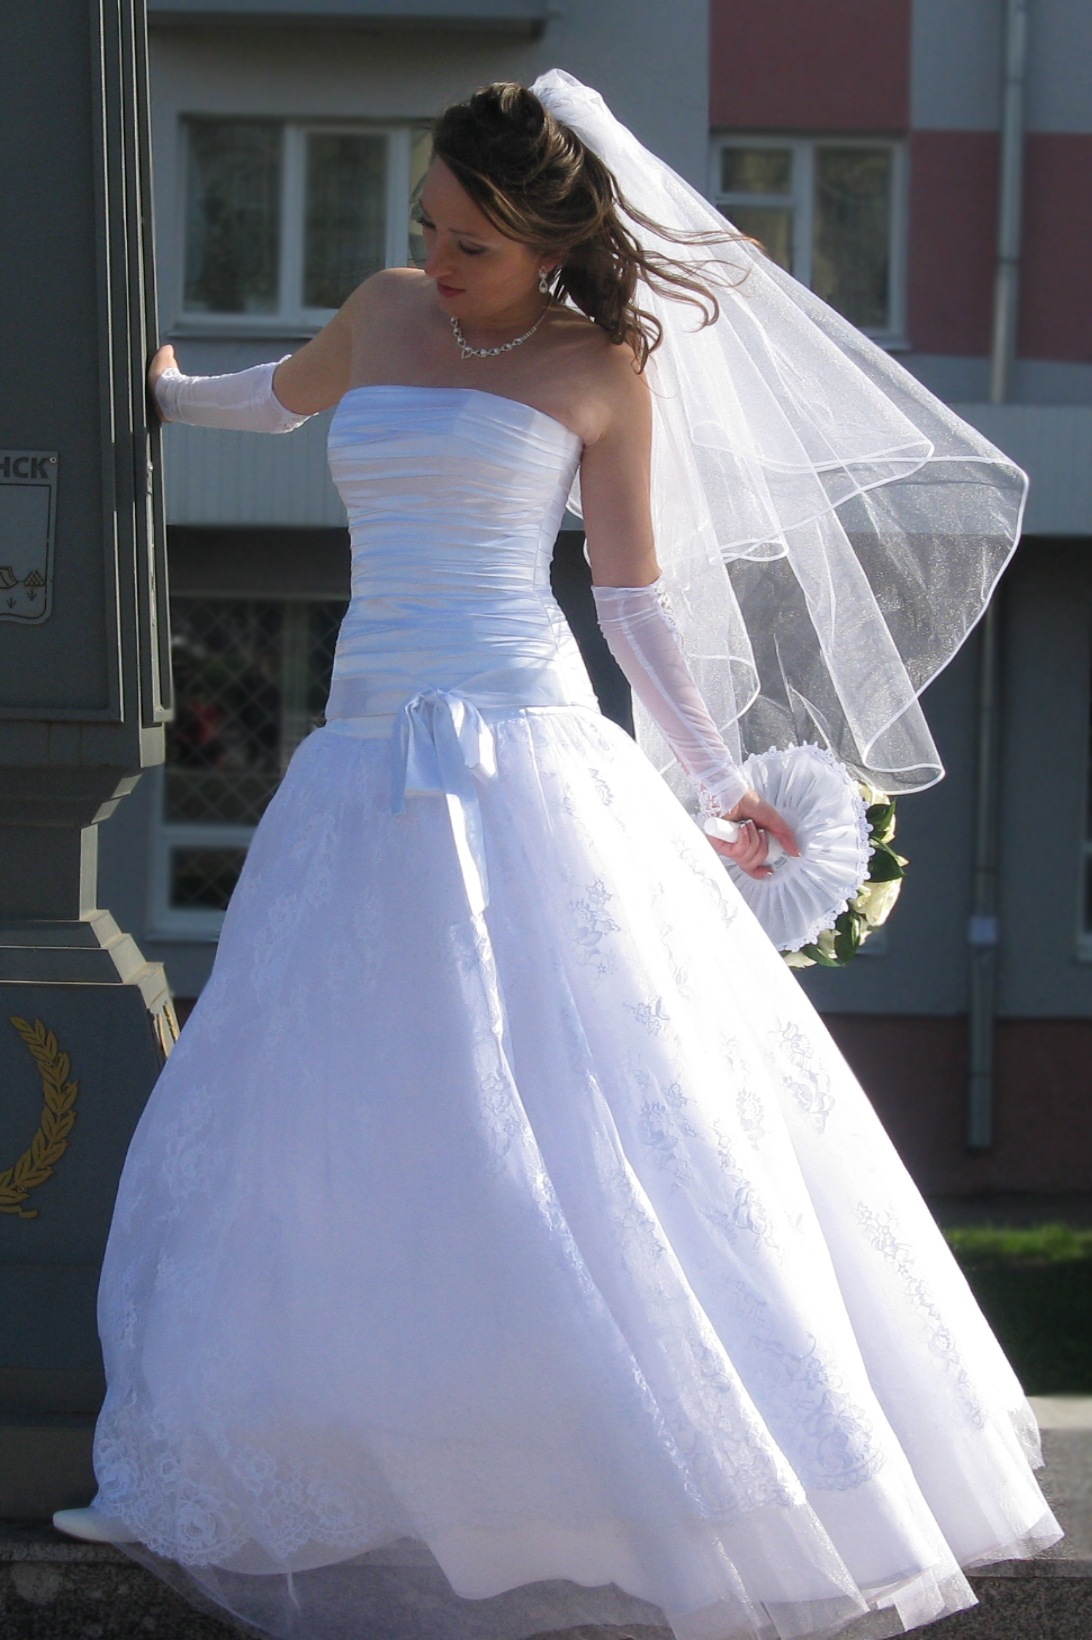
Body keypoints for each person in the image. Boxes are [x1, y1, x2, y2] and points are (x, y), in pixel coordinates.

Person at [54, 71, 1059, 1640]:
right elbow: (281, 398)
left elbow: (636, 598)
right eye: (428, 229)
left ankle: (632, 1470)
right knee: (340, 1103)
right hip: (362, 760)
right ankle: (338, 1454)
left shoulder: (604, 364)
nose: (438, 261)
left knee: (585, 1094)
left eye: (471, 241)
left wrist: (716, 781)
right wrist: (171, 396)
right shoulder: (384, 311)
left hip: (527, 741)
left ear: (545, 239)